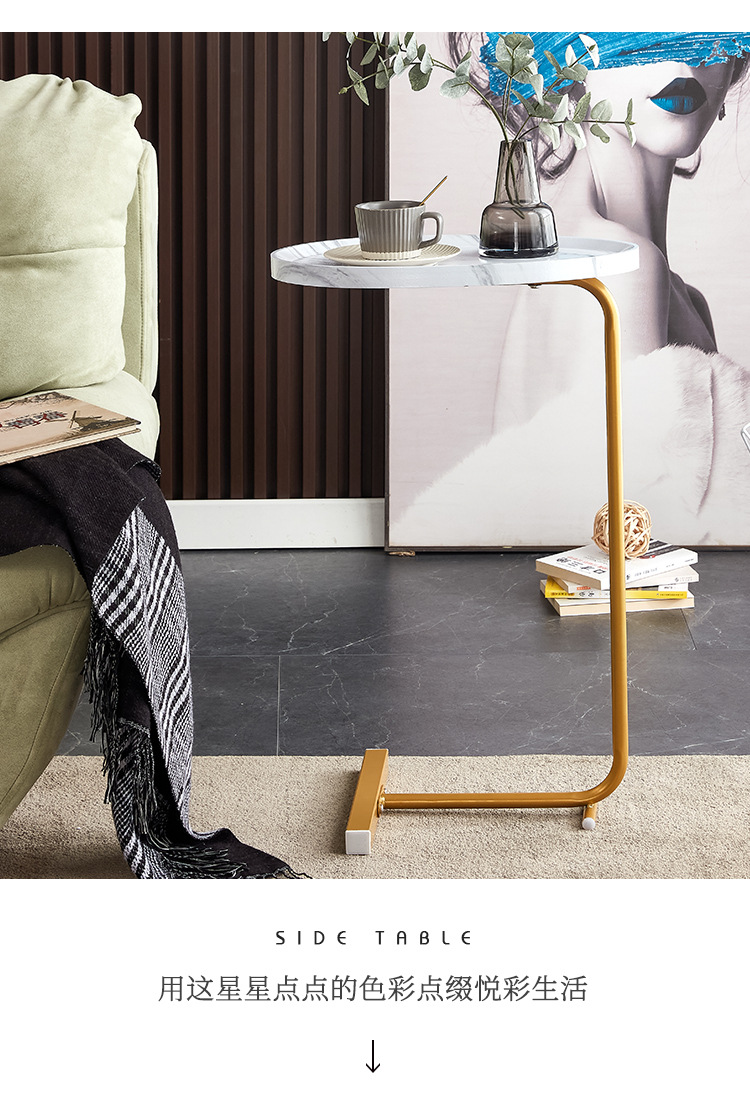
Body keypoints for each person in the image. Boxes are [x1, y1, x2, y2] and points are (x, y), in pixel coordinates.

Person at [392, 32, 750, 548]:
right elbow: (624, 540)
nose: (681, 58)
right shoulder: (624, 271)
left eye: (705, 27)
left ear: (736, 64)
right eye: (639, 28)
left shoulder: (674, 293)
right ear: (564, 62)